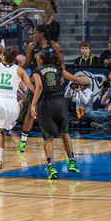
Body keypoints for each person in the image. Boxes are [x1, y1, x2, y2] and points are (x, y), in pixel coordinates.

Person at [30, 50, 89, 179]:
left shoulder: (37, 70)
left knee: (48, 138)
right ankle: (72, 162)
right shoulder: (58, 69)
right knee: (65, 133)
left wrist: (33, 104)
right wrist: (83, 80)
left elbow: (39, 87)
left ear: (41, 59)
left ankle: (51, 166)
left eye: (38, 56)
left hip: (46, 103)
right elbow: (74, 79)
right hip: (60, 102)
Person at [0, 47, 34, 183]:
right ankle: (0, 157)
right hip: (12, 107)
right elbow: (32, 88)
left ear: (3, 56)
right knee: (1, 131)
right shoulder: (20, 70)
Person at [18, 24, 64, 152]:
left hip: (51, 83)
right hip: (36, 82)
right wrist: (16, 72)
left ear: (42, 34)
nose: (33, 36)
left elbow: (62, 64)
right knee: (31, 113)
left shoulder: (54, 46)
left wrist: (62, 76)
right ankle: (23, 141)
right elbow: (27, 63)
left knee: (53, 112)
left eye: (35, 33)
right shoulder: (32, 47)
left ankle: (54, 139)